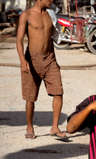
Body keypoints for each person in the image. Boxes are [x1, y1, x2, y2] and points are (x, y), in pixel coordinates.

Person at [16, 0, 66, 139]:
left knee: (58, 92)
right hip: (32, 60)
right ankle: (30, 127)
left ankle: (55, 127)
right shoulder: (26, 15)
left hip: (50, 59)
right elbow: (19, 39)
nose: (52, 1)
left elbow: (54, 36)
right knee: (30, 98)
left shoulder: (51, 14)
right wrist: (22, 60)